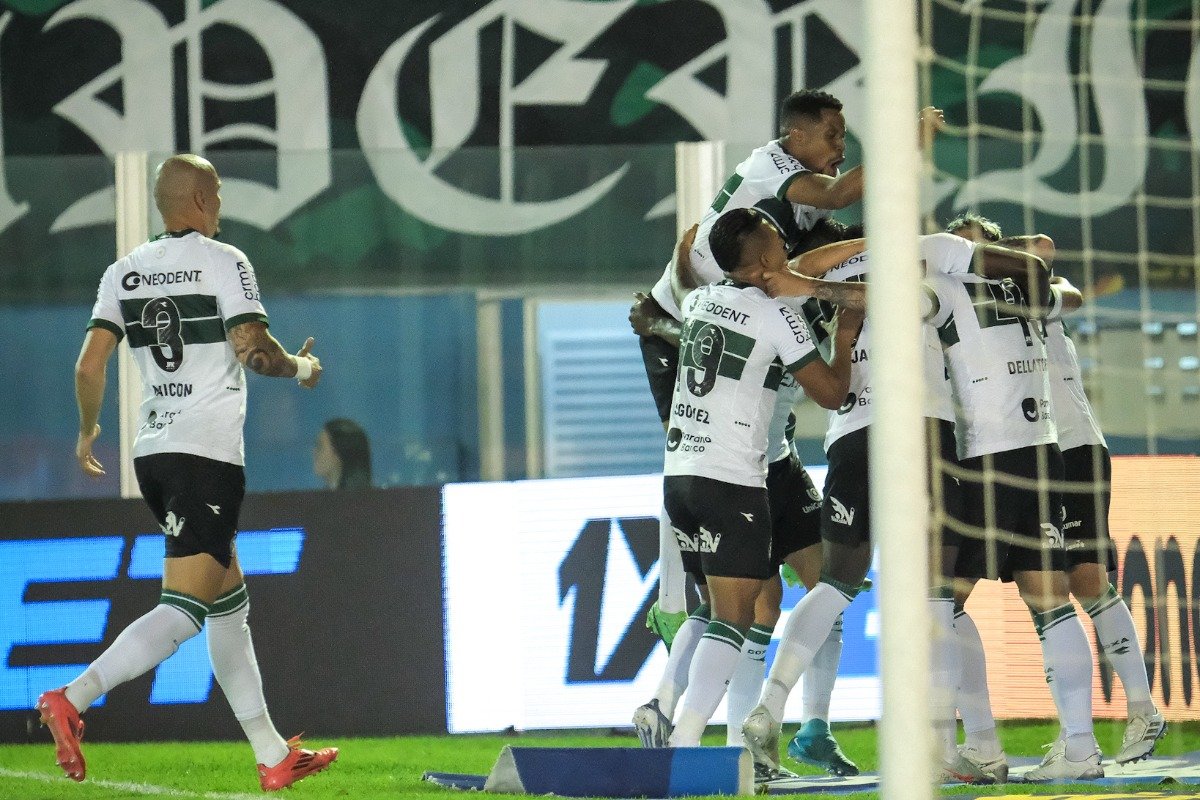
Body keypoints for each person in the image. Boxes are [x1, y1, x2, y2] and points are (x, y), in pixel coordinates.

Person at [38, 154, 338, 792]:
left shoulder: (123, 271)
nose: (222, 201)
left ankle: (273, 753)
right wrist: (304, 371)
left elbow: (89, 366)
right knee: (183, 609)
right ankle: (74, 696)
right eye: (220, 190)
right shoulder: (225, 261)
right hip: (205, 455)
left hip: (155, 452)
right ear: (202, 199)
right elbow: (255, 351)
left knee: (229, 602)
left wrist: (88, 427)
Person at [739, 232, 994, 782]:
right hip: (922, 428)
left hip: (852, 433)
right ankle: (939, 748)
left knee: (835, 583)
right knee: (936, 592)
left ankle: (770, 708)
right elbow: (1029, 254)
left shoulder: (828, 268)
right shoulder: (934, 247)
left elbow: (802, 268)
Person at [632, 228, 866, 779]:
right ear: (765, 261)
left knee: (724, 610)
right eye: (776, 241)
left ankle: (675, 714)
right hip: (734, 479)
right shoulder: (777, 316)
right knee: (736, 619)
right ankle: (685, 747)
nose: (786, 244)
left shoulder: (704, 298)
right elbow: (832, 393)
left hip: (680, 476)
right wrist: (847, 337)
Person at [946, 214, 1165, 772]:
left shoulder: (1027, 282)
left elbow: (1047, 256)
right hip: (1039, 446)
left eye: (974, 247)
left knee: (1079, 583)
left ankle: (1132, 712)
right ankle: (1094, 732)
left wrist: (978, 250)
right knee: (1068, 586)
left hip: (1066, 446)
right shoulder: (961, 298)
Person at [919, 225, 1104, 782]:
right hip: (1044, 453)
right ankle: (1081, 746)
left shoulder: (942, 285)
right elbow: (1053, 270)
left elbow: (877, 294)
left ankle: (978, 746)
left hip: (987, 456)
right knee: (1050, 601)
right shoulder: (1026, 288)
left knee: (941, 602)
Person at [314, 418, 372, 489]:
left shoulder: (367, 499)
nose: (314, 452)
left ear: (338, 452)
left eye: (320, 446)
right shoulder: (319, 498)